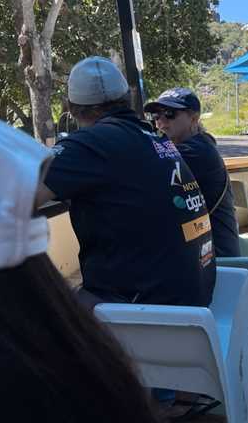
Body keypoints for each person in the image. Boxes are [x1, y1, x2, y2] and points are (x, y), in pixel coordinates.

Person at [0, 100, 158, 423]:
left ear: (75, 110)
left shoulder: (88, 145)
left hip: (143, 297)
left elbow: (35, 193)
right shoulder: (87, 364)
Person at [35, 57, 215, 309]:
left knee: (34, 313)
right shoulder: (155, 139)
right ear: (127, 99)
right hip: (196, 297)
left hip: (148, 312)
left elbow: (17, 195)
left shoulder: (91, 143)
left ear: (72, 108)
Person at [145, 88, 240, 258]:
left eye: (169, 113)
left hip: (218, 259)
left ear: (194, 118)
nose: (161, 122)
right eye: (156, 116)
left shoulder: (195, 151)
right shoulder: (200, 143)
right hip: (206, 250)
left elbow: (140, 166)